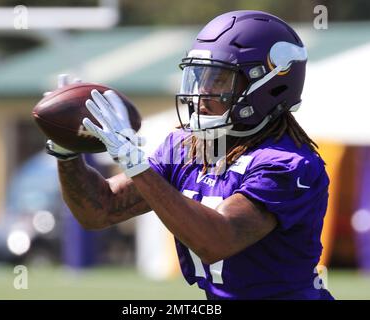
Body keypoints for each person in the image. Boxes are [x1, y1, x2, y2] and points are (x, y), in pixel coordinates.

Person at [46, 10, 334, 300]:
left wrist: (136, 164)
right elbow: (100, 210)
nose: (202, 92)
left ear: (268, 85)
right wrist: (67, 152)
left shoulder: (287, 165)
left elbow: (216, 240)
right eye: (200, 76)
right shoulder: (185, 147)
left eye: (219, 80)